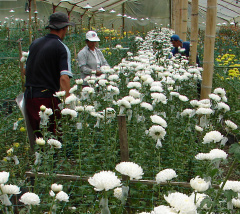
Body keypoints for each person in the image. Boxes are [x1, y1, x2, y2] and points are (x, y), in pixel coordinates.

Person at [24, 12, 74, 149]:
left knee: (38, 138)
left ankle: (39, 167)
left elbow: (24, 71)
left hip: (29, 97)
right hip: (46, 99)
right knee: (52, 140)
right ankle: (51, 168)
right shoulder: (61, 47)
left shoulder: (35, 44)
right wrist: (68, 106)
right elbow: (64, 78)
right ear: (64, 28)